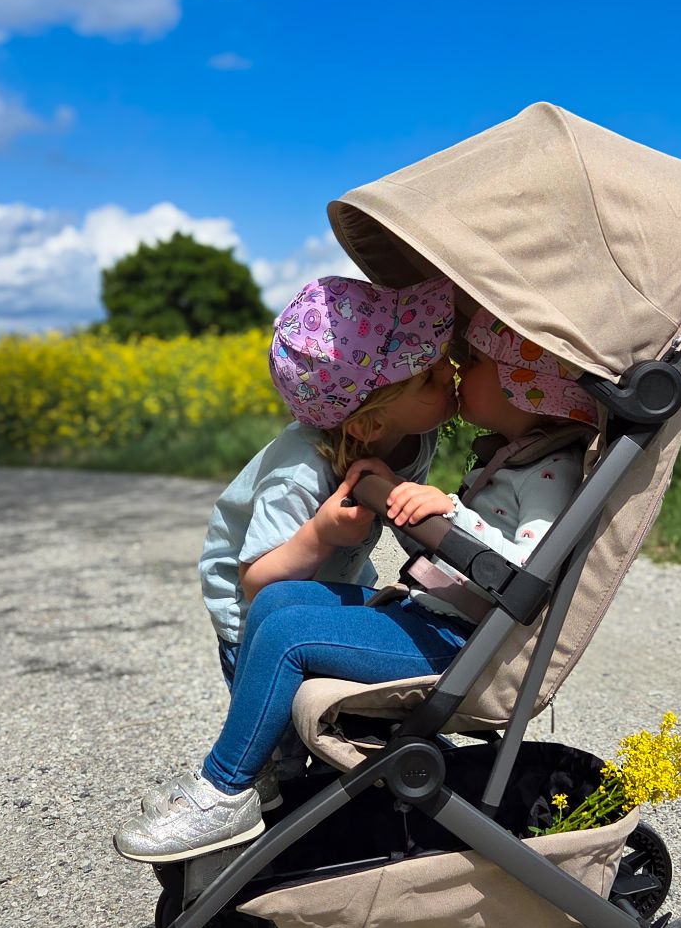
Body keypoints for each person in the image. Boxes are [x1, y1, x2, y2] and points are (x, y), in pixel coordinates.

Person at [114, 307, 598, 862]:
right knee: (276, 600)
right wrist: (404, 501)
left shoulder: (550, 473)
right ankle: (261, 771)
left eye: (478, 363)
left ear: (526, 391)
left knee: (290, 635)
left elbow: (523, 571)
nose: (460, 368)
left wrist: (451, 514)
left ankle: (224, 789)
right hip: (439, 618)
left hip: (467, 644)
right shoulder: (517, 460)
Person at [148, 274, 455, 819]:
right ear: (370, 423)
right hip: (254, 611)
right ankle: (268, 797)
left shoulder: (414, 431)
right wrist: (321, 534)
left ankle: (332, 797)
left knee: (327, 713)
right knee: (280, 745)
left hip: (330, 584)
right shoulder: (299, 474)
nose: (448, 371)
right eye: (428, 374)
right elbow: (257, 581)